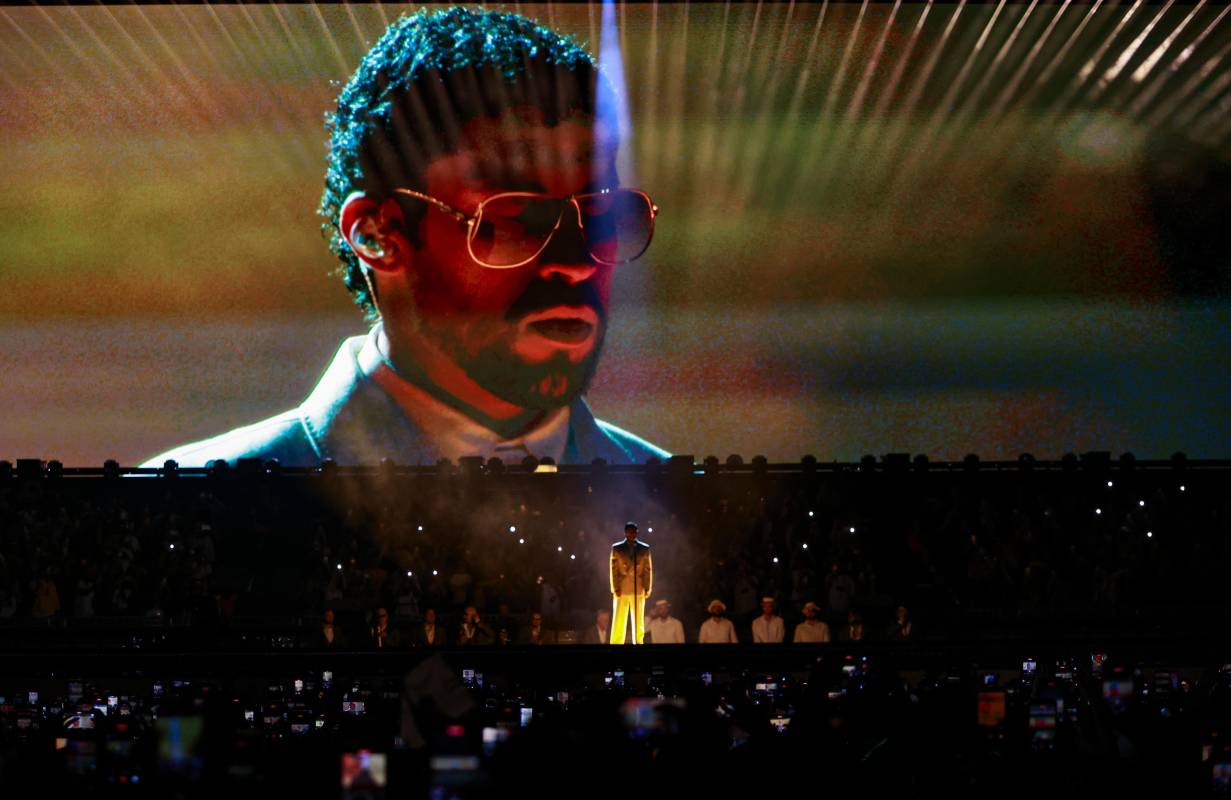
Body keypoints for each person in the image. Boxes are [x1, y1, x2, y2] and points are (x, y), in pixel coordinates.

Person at [141, 8, 669, 469]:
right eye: (516, 218)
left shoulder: (685, 503)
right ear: (376, 233)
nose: (576, 262)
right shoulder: (195, 504)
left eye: (601, 215)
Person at [610, 522, 652, 645]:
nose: (631, 534)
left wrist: (647, 587)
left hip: (638, 588)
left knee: (638, 619)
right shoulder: (617, 548)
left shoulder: (644, 548)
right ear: (625, 532)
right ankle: (616, 643)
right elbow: (614, 570)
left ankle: (638, 642)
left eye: (633, 531)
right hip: (622, 588)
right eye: (629, 531)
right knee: (619, 619)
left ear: (637, 532)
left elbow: (647, 569)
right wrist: (616, 587)